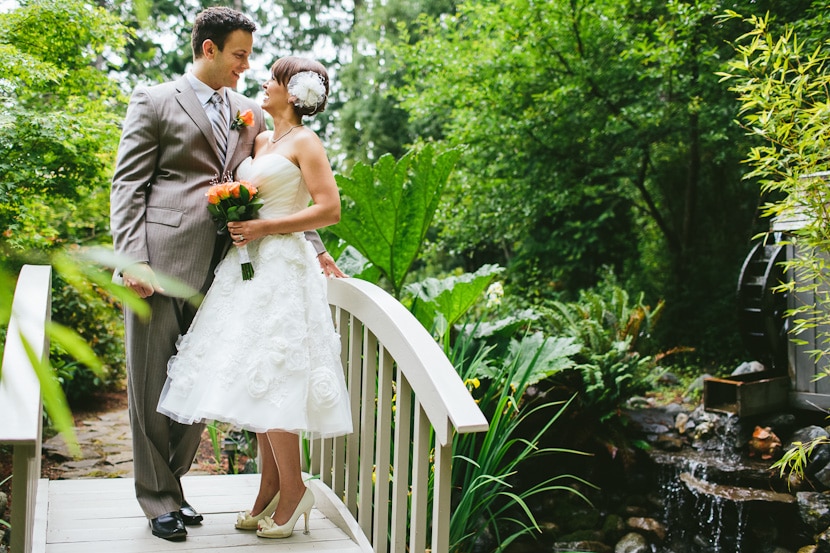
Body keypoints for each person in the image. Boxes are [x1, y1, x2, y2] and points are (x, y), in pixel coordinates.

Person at [109, 8, 343, 542]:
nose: (247, 65)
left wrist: (315, 247)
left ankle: (176, 485)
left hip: (228, 272)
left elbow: (279, 189)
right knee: (150, 383)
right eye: (239, 54)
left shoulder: (251, 115)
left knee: (199, 382)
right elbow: (128, 186)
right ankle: (159, 498)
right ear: (209, 49)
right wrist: (131, 257)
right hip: (160, 261)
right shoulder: (154, 100)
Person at [156, 56, 353, 540]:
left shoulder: (307, 142)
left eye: (274, 78)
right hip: (247, 269)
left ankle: (294, 492)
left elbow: (328, 209)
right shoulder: (264, 138)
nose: (264, 83)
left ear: (294, 91)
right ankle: (268, 488)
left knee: (275, 376)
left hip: (283, 268)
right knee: (255, 376)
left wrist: (263, 226)